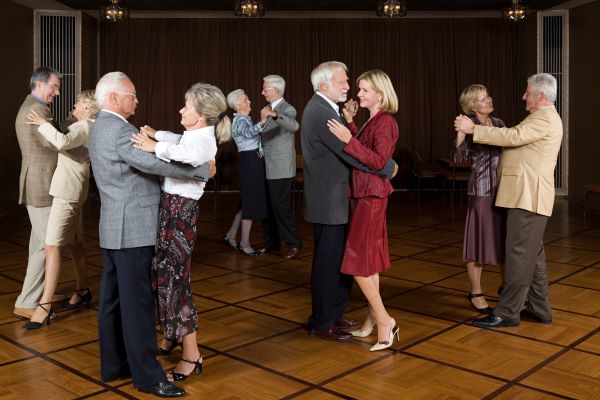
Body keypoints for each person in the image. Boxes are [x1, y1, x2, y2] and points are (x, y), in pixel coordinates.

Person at [89, 71, 214, 398]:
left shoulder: (100, 126)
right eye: (132, 95)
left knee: (112, 302)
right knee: (138, 305)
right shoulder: (119, 130)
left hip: (114, 227)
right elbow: (155, 164)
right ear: (114, 97)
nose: (137, 100)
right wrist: (202, 170)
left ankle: (114, 365)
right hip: (134, 228)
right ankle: (147, 377)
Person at [132, 83, 230, 382]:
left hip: (180, 214)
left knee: (175, 282)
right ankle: (172, 335)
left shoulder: (201, 142)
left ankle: (192, 354)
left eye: (186, 106)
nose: (181, 110)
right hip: (173, 212)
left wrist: (153, 147)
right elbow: (179, 140)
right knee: (165, 276)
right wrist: (157, 134)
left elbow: (186, 155)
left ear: (200, 116)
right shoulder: (196, 134)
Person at [454, 73, 563, 328]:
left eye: (527, 92)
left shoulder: (544, 118)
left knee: (517, 255)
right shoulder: (541, 118)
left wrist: (473, 129)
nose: (523, 96)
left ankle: (508, 312)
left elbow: (512, 137)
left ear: (541, 96)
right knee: (532, 256)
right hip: (525, 196)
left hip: (527, 197)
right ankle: (539, 308)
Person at [301, 61, 397, 341]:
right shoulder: (320, 112)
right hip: (329, 200)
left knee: (339, 261)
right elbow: (352, 154)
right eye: (343, 82)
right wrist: (388, 168)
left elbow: (356, 146)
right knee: (327, 263)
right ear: (323, 85)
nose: (348, 86)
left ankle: (333, 315)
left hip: (339, 199)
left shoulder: (329, 109)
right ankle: (322, 322)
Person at [327, 69, 400, 351]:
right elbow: (366, 147)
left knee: (358, 262)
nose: (358, 94)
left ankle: (384, 320)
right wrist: (351, 124)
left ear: (380, 94)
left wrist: (347, 138)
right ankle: (372, 318)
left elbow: (380, 161)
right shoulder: (375, 120)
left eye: (365, 90)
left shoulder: (386, 122)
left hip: (371, 197)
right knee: (369, 259)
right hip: (365, 195)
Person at [23, 90, 98, 329]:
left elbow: (61, 141)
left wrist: (43, 123)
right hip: (76, 191)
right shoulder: (94, 125)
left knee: (51, 246)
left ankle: (44, 306)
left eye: (77, 102)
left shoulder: (82, 127)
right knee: (75, 243)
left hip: (66, 193)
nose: (73, 105)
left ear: (87, 107)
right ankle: (83, 290)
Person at [454, 84, 506, 314]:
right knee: (477, 243)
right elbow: (458, 158)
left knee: (505, 242)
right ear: (473, 104)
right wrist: (461, 133)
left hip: (504, 191)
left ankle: (507, 290)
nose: (489, 100)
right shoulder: (468, 124)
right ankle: (475, 292)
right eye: (483, 98)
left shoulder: (499, 123)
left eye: (488, 96)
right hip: (481, 192)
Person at [14, 67, 62, 320]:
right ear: (40, 84)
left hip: (36, 182)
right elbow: (54, 142)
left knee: (39, 247)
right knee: (47, 245)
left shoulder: (31, 104)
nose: (57, 91)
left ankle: (30, 298)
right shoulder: (38, 109)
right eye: (54, 86)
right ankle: (28, 301)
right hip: (41, 185)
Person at [257, 74, 303, 259]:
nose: (262, 92)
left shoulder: (287, 109)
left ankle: (294, 243)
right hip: (266, 166)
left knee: (280, 207)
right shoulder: (267, 108)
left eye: (265, 89)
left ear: (275, 90)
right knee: (267, 207)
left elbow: (293, 126)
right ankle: (272, 244)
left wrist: (274, 115)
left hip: (281, 167)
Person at [223, 89, 269, 256]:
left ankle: (230, 235)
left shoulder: (244, 119)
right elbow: (249, 132)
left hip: (252, 161)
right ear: (236, 105)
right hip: (251, 162)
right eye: (245, 100)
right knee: (250, 203)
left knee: (245, 203)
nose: (249, 102)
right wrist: (262, 121)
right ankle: (245, 244)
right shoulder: (240, 121)